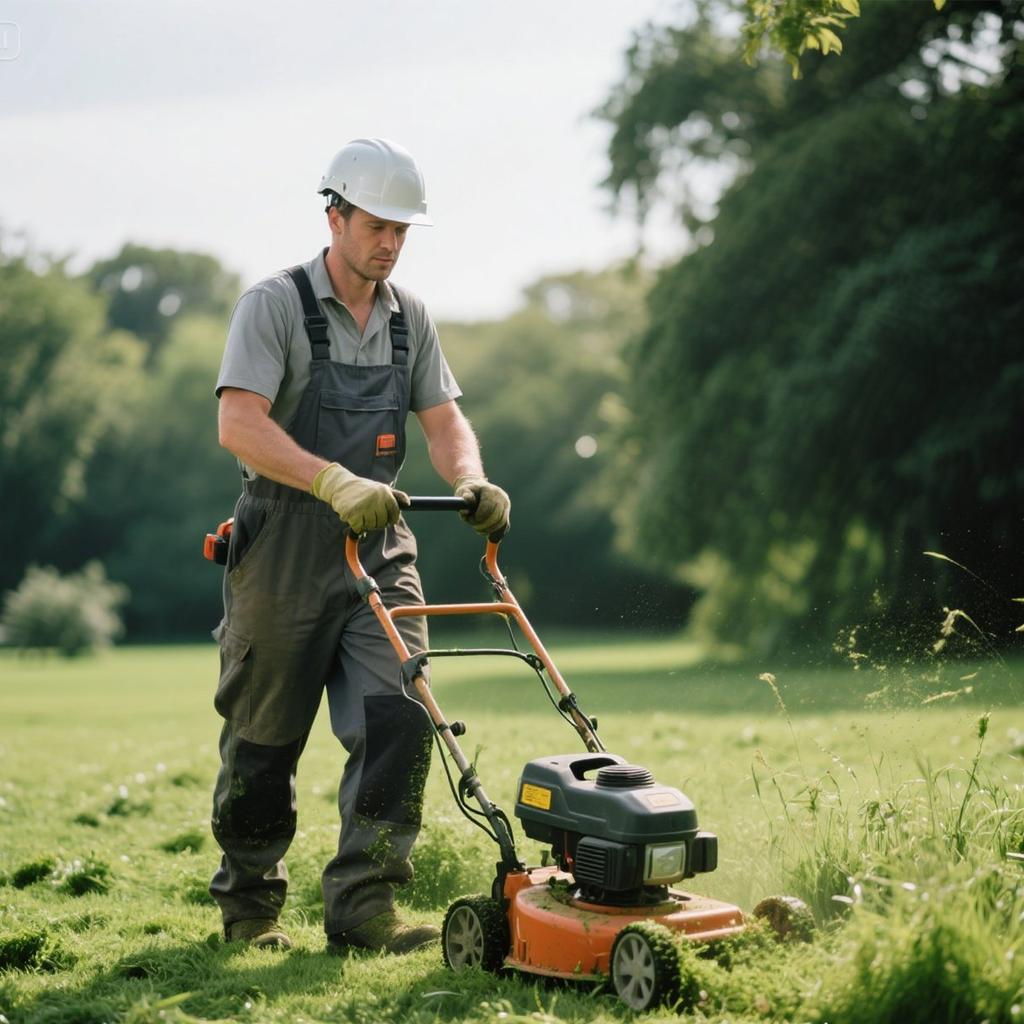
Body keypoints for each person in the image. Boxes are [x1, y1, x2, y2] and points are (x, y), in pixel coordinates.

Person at [209, 137, 510, 954]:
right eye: (376, 224)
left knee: (402, 718)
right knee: (264, 737)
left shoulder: (409, 316)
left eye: (403, 230)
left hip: (382, 542)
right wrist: (332, 481)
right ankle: (249, 911)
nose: (390, 242)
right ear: (335, 214)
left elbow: (444, 421)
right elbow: (239, 422)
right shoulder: (273, 305)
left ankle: (364, 908)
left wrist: (474, 479)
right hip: (284, 541)